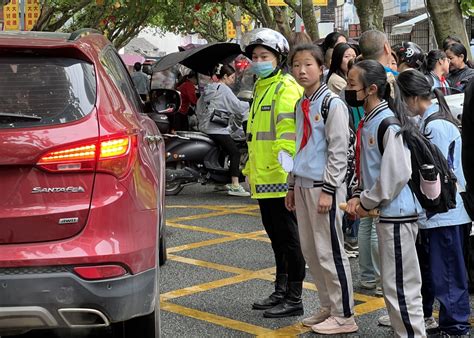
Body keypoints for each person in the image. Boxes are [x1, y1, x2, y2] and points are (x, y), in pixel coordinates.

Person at [345, 59, 426, 338]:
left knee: (401, 287)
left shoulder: (386, 123)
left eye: (352, 85)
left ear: (372, 89)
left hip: (397, 215)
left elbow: (397, 173)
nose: (347, 89)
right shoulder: (371, 120)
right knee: (393, 286)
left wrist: (366, 200)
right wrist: (361, 195)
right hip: (387, 215)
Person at [287, 43, 358, 335]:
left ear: (321, 67)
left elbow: (338, 151)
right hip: (303, 184)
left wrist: (329, 189)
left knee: (330, 251)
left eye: (308, 65)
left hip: (323, 187)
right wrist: (291, 184)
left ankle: (345, 315)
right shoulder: (301, 103)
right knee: (311, 251)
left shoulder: (332, 103)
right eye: (296, 65)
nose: (302, 71)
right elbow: (297, 145)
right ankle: (329, 306)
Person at [397, 69, 471, 336]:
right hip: (443, 212)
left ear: (413, 98)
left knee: (449, 272)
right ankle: (450, 323)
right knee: (443, 270)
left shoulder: (435, 126)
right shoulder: (431, 121)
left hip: (445, 212)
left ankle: (456, 325)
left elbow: (435, 173)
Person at [241, 27, 306, 318]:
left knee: (290, 240)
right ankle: (280, 290)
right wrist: (247, 169)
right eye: (254, 56)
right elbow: (256, 136)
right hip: (263, 179)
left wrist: (288, 175)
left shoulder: (286, 87)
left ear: (278, 58)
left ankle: (294, 297)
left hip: (280, 179)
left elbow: (287, 136)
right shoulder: (261, 87)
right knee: (276, 239)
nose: (258, 61)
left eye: (264, 55)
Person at [195, 64, 250, 197]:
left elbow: (199, 106)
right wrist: (250, 103)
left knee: (221, 149)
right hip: (217, 127)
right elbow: (237, 106)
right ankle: (235, 185)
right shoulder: (224, 89)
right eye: (231, 77)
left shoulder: (210, 87)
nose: (233, 80)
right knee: (235, 153)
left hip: (205, 125)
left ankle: (219, 182)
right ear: (224, 76)